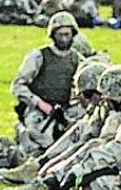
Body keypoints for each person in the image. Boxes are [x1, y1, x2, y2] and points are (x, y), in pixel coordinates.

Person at [0, 57, 110, 190]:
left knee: (90, 145)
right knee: (79, 128)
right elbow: (81, 137)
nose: (83, 99)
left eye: (87, 94)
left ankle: (46, 183)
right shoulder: (102, 110)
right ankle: (35, 167)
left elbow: (91, 145)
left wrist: (52, 168)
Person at [12, 12, 84, 156]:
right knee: (37, 140)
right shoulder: (38, 56)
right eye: (60, 35)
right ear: (52, 35)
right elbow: (18, 86)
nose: (64, 39)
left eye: (67, 34)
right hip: (39, 109)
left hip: (65, 110)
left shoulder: (77, 60)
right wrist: (40, 104)